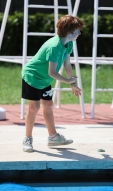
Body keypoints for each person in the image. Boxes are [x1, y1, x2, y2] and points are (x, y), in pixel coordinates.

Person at [21, 14, 84, 152]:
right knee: (34, 108)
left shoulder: (68, 43)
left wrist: (72, 82)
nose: (79, 33)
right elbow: (52, 72)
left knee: (48, 105)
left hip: (44, 79)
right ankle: (27, 138)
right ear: (69, 32)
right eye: (77, 30)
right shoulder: (54, 46)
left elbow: (67, 63)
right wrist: (67, 81)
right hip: (33, 76)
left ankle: (53, 137)